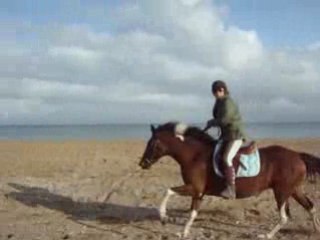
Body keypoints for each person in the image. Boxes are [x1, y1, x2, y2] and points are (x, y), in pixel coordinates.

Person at [204, 80, 246, 199]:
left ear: (222, 90)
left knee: (226, 158)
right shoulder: (220, 101)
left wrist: (212, 122)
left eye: (216, 92)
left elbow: (224, 120)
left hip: (235, 135)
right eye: (214, 93)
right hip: (226, 135)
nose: (215, 95)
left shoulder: (228, 102)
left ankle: (231, 189)